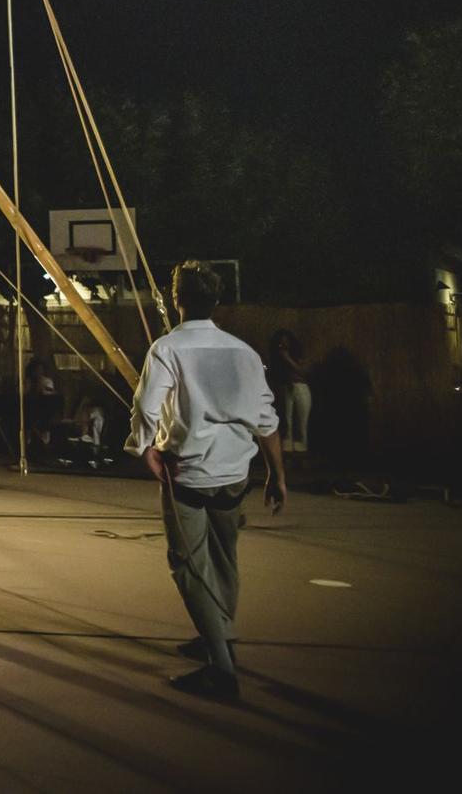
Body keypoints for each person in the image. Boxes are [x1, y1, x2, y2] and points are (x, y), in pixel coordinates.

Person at [126, 260, 286, 701]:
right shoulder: (245, 352)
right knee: (225, 557)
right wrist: (277, 474)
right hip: (235, 472)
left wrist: (145, 448)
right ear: (217, 301)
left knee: (189, 564)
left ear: (176, 299)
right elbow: (267, 419)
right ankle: (219, 632)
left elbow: (146, 407)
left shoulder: (167, 349)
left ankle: (221, 667)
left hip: (190, 472)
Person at [266, 329, 311, 457]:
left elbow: (304, 372)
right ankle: (288, 454)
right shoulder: (277, 359)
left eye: (286, 341)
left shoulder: (295, 355)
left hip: (300, 388)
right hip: (285, 388)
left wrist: (288, 359)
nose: (283, 344)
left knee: (301, 423)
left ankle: (301, 452)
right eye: (281, 342)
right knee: (287, 423)